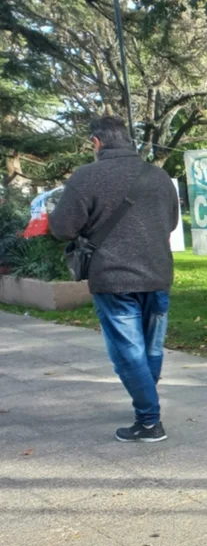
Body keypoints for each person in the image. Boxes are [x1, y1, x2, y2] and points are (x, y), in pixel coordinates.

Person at [49, 116, 179, 442]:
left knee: (128, 352)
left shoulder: (86, 177)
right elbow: (173, 222)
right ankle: (145, 398)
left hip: (113, 278)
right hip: (158, 274)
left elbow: (62, 228)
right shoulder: (158, 176)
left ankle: (149, 421)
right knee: (150, 348)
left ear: (97, 142)